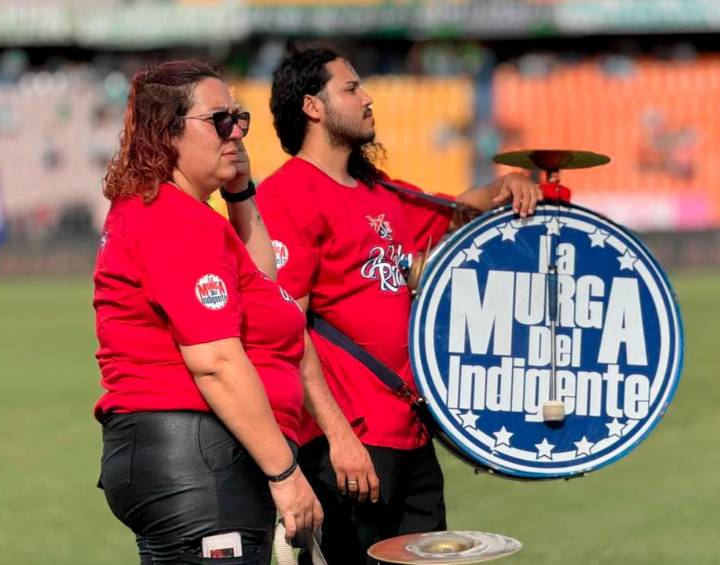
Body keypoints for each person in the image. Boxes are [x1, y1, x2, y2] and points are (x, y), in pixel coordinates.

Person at [255, 46, 542, 564]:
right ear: (313, 107)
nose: (367, 98)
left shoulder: (380, 192)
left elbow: (455, 213)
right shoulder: (289, 195)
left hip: (410, 438)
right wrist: (340, 439)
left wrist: (506, 185)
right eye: (351, 88)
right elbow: (287, 332)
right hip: (348, 447)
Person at [93, 59, 322, 564]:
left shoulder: (176, 212)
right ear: (166, 133)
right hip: (197, 458)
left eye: (241, 119)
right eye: (220, 120)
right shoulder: (173, 220)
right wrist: (285, 474)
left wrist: (240, 190)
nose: (236, 132)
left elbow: (264, 285)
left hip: (189, 456)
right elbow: (215, 360)